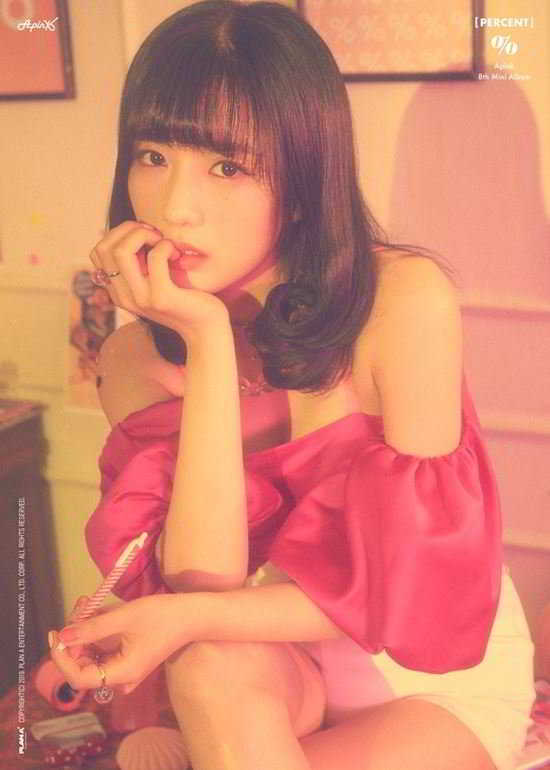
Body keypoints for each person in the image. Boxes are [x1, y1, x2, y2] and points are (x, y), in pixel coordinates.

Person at [49, 2, 535, 769]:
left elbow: (410, 590)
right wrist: (207, 340)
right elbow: (204, 582)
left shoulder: (401, 300)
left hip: (425, 673)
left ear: (305, 181)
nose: (175, 207)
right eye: (153, 155)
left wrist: (182, 620)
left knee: (205, 665)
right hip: (271, 667)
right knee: (206, 661)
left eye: (227, 166)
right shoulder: (135, 357)